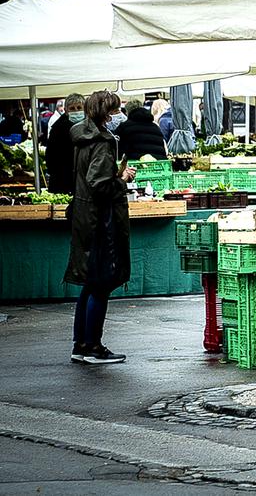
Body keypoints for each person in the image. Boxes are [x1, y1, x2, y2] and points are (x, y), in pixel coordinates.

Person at [65, 90, 136, 365]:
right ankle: (92, 345)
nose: (118, 115)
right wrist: (121, 180)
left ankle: (81, 343)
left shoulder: (82, 138)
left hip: (85, 215)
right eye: (116, 111)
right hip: (101, 219)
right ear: (107, 114)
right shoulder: (102, 142)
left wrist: (113, 174)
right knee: (101, 284)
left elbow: (90, 178)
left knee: (90, 283)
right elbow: (99, 183)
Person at [45, 93, 86, 195]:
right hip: (63, 177)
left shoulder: (90, 125)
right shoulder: (57, 128)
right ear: (66, 110)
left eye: (79, 107)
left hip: (85, 176)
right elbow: (50, 153)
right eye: (72, 108)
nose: (76, 111)